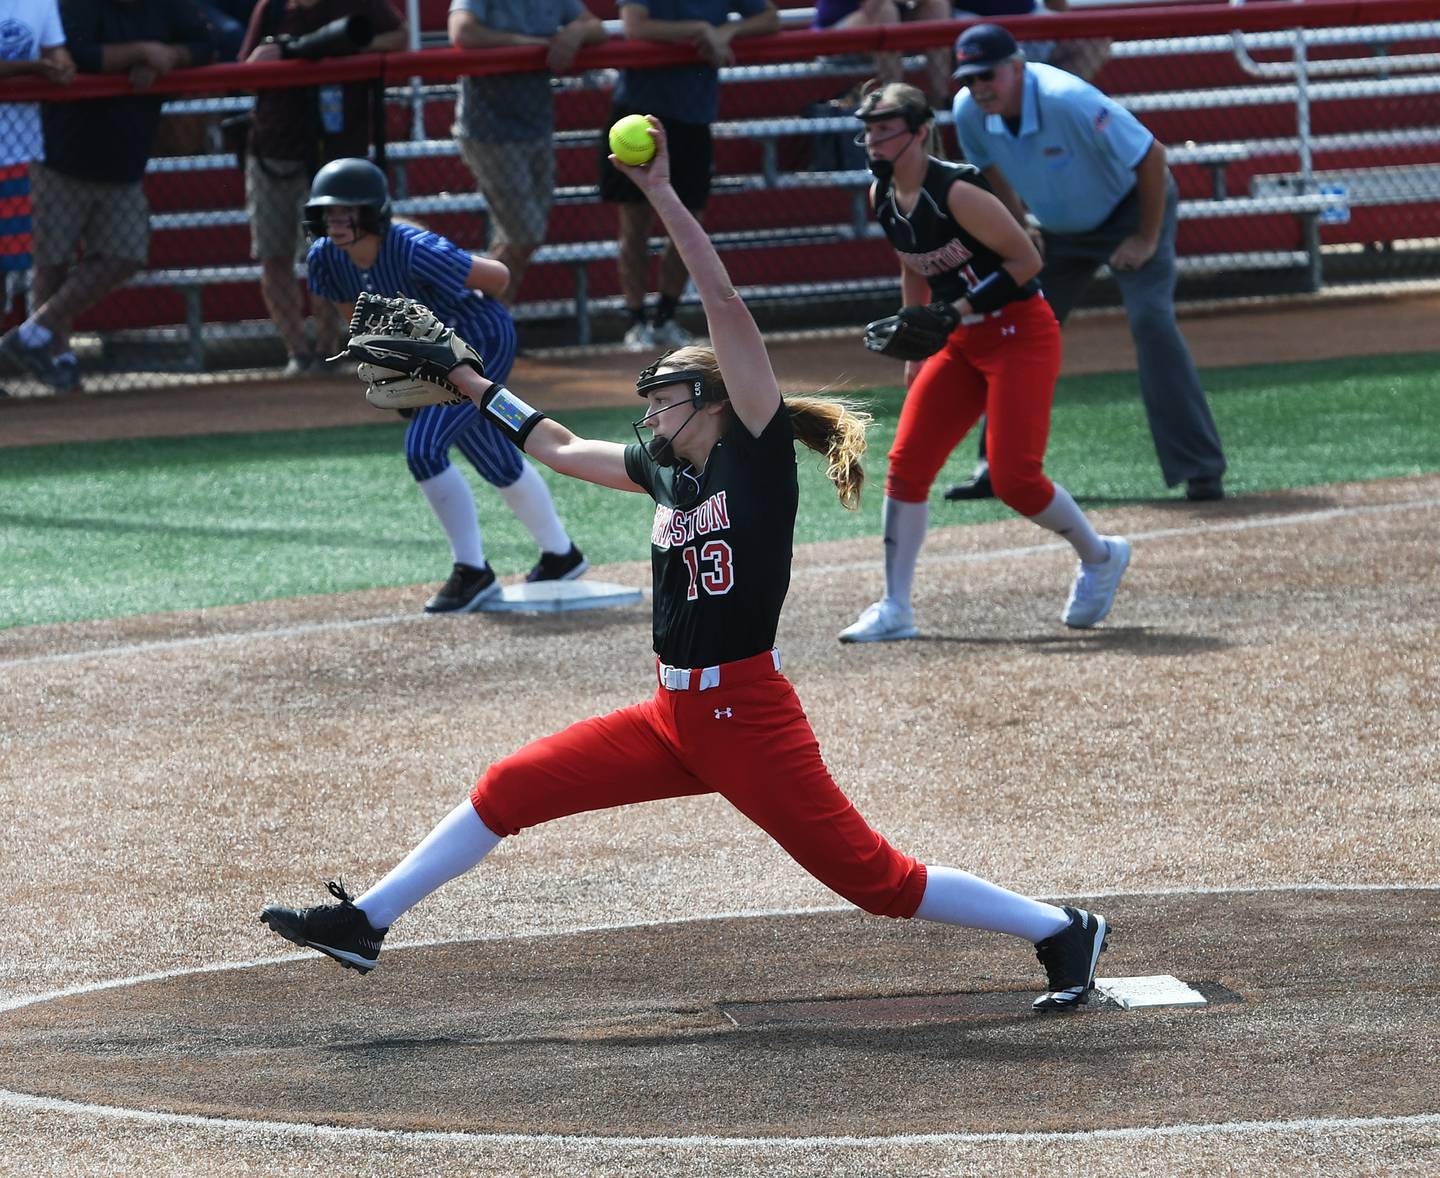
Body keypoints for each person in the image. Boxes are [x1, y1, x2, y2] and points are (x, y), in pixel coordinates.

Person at [259, 117, 1112, 1016]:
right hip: (674, 713)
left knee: (876, 880)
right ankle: (368, 926)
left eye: (662, 396)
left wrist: (661, 192)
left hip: (746, 717)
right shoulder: (671, 468)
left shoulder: (750, 451)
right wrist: (473, 385)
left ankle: (1060, 929)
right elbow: (556, 445)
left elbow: (724, 302)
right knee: (509, 786)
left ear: (708, 400)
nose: (650, 412)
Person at [838, 82, 1129, 644]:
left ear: (920, 132)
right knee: (907, 463)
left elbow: (1027, 260)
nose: (872, 139)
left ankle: (1100, 556)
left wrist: (958, 310)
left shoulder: (958, 190)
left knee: (1014, 477)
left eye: (885, 128)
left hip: (1019, 332)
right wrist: (915, 339)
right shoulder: (883, 194)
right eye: (868, 129)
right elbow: (914, 266)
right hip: (959, 341)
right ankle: (896, 606)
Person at [948, 24, 1227, 503]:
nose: (979, 88)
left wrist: (1144, 237)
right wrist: (1021, 231)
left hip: (1131, 210)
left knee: (1151, 322)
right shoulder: (969, 111)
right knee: (1011, 323)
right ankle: (996, 467)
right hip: (1059, 231)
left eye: (988, 76)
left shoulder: (1066, 98)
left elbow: (1151, 155)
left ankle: (1200, 468)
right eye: (969, 79)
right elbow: (989, 170)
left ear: (1016, 67)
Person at [303, 158, 586, 609]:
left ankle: (472, 571)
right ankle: (561, 554)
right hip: (428, 357)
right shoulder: (325, 257)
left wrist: (444, 321)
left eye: (347, 211)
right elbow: (353, 318)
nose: (335, 222)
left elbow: (499, 277)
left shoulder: (413, 247)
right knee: (487, 451)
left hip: (479, 340)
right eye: (328, 212)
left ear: (373, 212)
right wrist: (392, 365)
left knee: (424, 447)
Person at [0, 0, 212, 395]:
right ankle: (57, 356)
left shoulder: (169, 8)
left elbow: (206, 44)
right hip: (63, 155)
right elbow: (77, 54)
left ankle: (31, 336)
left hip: (126, 157)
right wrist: (140, 52)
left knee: (126, 254)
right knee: (53, 262)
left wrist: (170, 55)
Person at [238, 0, 406, 377]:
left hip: (337, 156)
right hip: (274, 148)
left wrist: (341, 48)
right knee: (275, 253)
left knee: (330, 252)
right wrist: (277, 57)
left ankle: (330, 350)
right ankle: (297, 353)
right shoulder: (272, 8)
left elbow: (399, 37)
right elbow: (244, 72)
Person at [601, 0, 780, 351]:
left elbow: (770, 18)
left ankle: (666, 316)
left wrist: (728, 30)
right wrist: (701, 30)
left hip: (694, 117)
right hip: (638, 114)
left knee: (688, 222)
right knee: (634, 225)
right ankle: (635, 320)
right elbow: (635, 26)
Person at [448, 0, 605, 306]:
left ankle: (488, 317)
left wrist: (575, 31)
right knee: (524, 235)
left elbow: (597, 28)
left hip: (537, 128)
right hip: (489, 130)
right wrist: (528, 44)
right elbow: (463, 32)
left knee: (519, 237)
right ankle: (473, 313)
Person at [0, 0, 75, 396]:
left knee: (10, 266)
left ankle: (46, 353)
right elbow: (34, 62)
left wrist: (60, 65)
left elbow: (56, 51)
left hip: (22, 155)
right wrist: (31, 68)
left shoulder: (39, 2)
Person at [811, 0, 952, 109]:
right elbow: (872, 6)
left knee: (937, 5)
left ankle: (941, 100)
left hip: (891, 32)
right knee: (885, 10)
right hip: (834, 34)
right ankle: (894, 101)